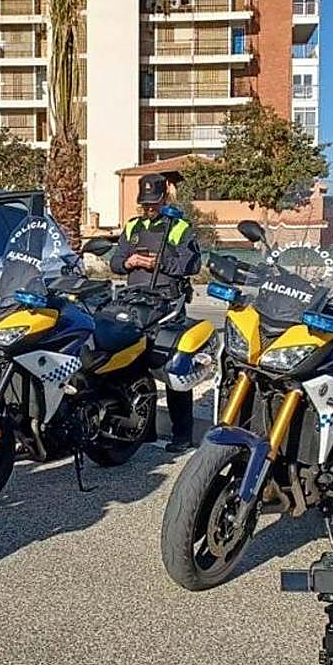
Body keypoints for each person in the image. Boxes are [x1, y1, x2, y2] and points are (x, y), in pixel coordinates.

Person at [109, 173, 202, 454]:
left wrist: (157, 263)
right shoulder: (133, 226)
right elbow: (114, 261)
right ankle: (144, 430)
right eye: (145, 205)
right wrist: (129, 261)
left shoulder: (179, 227)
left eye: (154, 204)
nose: (149, 209)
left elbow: (192, 265)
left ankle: (182, 434)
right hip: (134, 305)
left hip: (167, 306)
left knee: (172, 369)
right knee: (135, 369)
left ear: (165, 198)